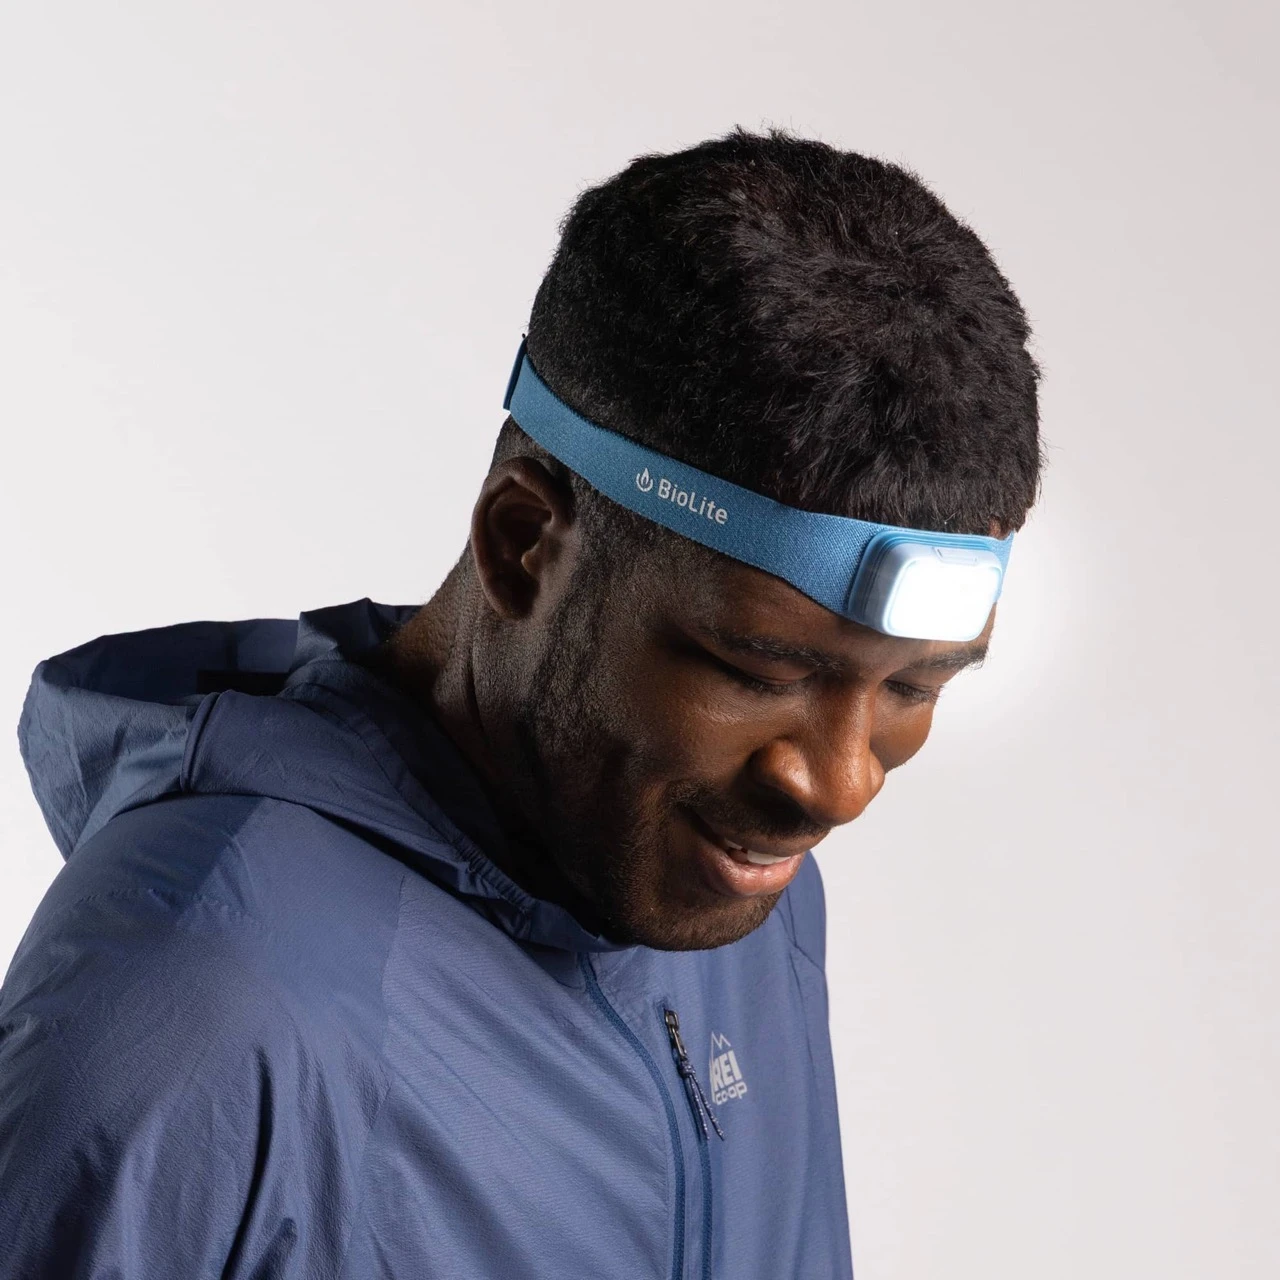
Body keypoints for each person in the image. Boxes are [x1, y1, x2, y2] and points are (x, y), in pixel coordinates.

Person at [0, 126, 1041, 1278]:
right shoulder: (191, 1008)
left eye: (911, 684)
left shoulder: (735, 889)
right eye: (758, 669)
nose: (834, 783)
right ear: (525, 540)